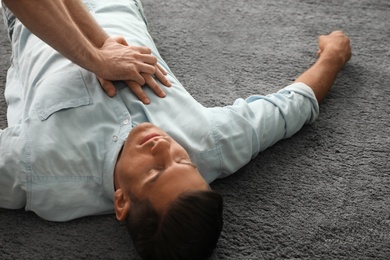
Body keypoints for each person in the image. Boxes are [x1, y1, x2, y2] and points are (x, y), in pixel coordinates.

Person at [0, 0, 351, 259]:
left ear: (121, 201)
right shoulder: (209, 144)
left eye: (154, 172)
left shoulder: (35, 170)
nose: (164, 147)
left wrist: (98, 56)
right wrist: (333, 58)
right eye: (183, 164)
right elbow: (292, 107)